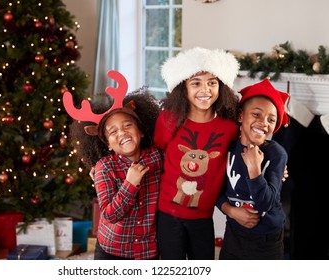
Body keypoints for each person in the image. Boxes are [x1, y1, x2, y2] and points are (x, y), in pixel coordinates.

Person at [153, 46, 243, 260]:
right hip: (167, 214)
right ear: (183, 88)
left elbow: (243, 152)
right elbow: (155, 154)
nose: (205, 90)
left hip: (203, 216)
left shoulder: (229, 128)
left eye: (212, 83)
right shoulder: (168, 120)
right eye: (196, 83)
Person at [66, 72, 164, 260]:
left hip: (146, 250)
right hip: (112, 250)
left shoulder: (157, 157)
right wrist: (130, 184)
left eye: (127, 125)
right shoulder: (104, 168)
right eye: (113, 131)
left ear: (141, 131)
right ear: (108, 144)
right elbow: (110, 214)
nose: (122, 133)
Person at [216, 78, 289, 260]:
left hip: (267, 239)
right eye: (256, 114)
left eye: (271, 119)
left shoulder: (276, 154)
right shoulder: (227, 148)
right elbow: (213, 189)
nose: (263, 122)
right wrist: (230, 211)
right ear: (241, 116)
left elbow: (266, 203)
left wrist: (254, 169)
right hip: (234, 232)